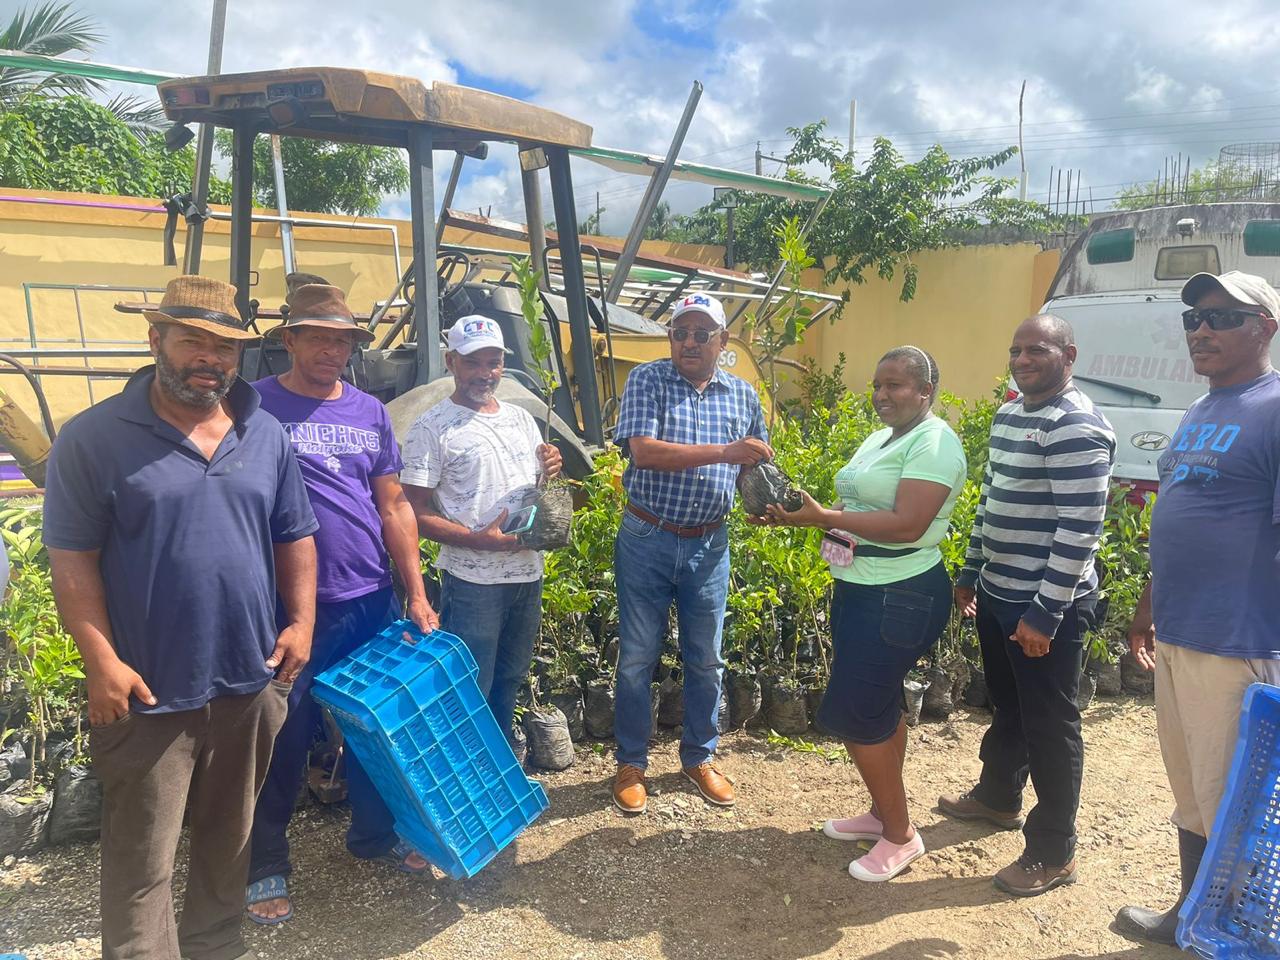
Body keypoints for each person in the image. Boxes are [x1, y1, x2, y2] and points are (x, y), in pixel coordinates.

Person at [43, 275, 319, 960]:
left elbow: (295, 535)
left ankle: (215, 949)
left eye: (225, 347)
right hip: (146, 689)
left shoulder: (265, 434)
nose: (211, 358)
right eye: (194, 339)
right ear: (155, 339)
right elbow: (71, 560)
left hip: (249, 680)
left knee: (229, 841)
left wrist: (302, 622)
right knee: (143, 860)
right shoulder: (94, 438)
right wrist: (101, 661)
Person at [245, 283, 441, 925]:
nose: (332, 350)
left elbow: (393, 507)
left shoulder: (369, 411)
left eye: (344, 340)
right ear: (289, 339)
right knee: (282, 734)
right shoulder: (254, 406)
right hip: (289, 608)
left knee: (376, 727)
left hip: (367, 599)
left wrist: (414, 592)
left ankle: (374, 837)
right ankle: (266, 863)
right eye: (319, 337)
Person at [758, 346, 966, 881]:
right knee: (878, 705)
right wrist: (799, 518)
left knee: (858, 715)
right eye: (877, 384)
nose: (881, 395)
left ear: (926, 391)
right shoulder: (884, 438)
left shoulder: (934, 442)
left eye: (895, 385)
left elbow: (907, 524)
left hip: (900, 592)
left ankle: (901, 835)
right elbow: (857, 513)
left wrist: (821, 516)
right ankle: (882, 815)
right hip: (861, 582)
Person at [1116, 271, 1280, 945]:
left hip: (1236, 640)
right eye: (1192, 320)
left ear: (1264, 327)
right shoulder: (1200, 410)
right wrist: (1147, 607)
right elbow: (1181, 516)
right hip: (1182, 632)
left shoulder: (1274, 407)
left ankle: (1237, 930)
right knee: (1191, 790)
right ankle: (1192, 912)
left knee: (1234, 797)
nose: (1201, 330)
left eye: (1219, 317)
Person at [939, 314, 1115, 897]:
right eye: (1015, 349)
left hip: (1046, 606)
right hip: (997, 591)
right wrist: (970, 571)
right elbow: (990, 499)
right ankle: (997, 797)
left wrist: (1043, 614)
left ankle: (1053, 850)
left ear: (1069, 353)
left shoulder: (1079, 426)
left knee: (1049, 723)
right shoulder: (1010, 413)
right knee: (1008, 706)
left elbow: (1078, 531)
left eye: (1037, 349)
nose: (1022, 358)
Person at [611, 292, 771, 815]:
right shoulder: (647, 380)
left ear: (722, 342)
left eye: (702, 333)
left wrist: (761, 496)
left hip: (709, 541)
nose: (689, 342)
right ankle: (632, 763)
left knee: (706, 658)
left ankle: (699, 757)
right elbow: (644, 452)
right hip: (648, 536)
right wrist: (728, 453)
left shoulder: (743, 395)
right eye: (681, 332)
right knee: (637, 657)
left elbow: (753, 463)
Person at [401, 315, 562, 745]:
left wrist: (551, 469)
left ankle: (498, 766)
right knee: (470, 682)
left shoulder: (521, 419)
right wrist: (476, 540)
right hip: (474, 581)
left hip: (528, 572)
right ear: (452, 362)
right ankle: (467, 769)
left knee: (510, 676)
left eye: (493, 363)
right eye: (473, 363)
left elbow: (533, 490)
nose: (484, 373)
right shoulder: (431, 427)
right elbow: (410, 510)